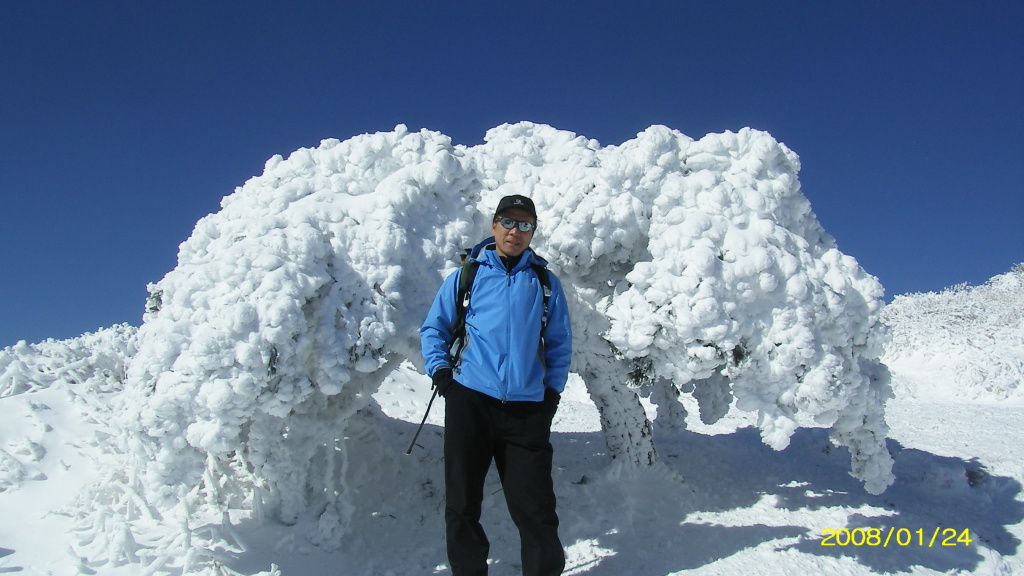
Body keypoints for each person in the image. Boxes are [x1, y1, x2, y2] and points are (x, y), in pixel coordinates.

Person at [420, 194, 573, 576]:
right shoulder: (466, 276)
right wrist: (442, 375)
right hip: (470, 401)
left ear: (532, 232)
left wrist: (551, 395)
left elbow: (559, 343)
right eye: (508, 221)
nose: (515, 231)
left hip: (526, 409)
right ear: (493, 225)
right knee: (462, 504)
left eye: (525, 225)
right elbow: (434, 328)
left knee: (536, 509)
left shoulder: (544, 282)